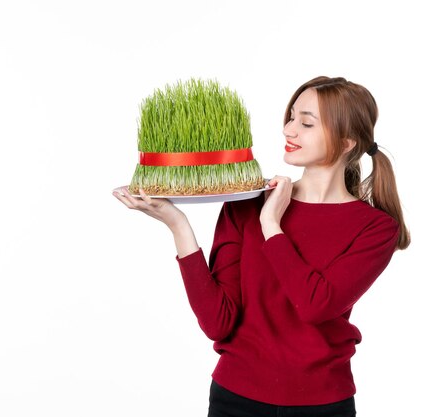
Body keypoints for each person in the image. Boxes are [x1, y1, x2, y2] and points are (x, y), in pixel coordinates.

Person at [113, 76, 410, 417]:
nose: (289, 129)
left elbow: (315, 305)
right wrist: (178, 225)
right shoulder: (244, 204)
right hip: (234, 399)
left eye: (306, 122)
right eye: (291, 116)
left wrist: (272, 224)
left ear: (346, 143)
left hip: (323, 404)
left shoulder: (375, 228)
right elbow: (218, 323)